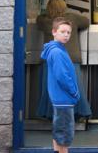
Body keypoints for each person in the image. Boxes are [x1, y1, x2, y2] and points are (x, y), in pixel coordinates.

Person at [36, 0, 91, 119]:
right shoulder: (72, 18)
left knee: (51, 88)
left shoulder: (44, 20)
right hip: (71, 59)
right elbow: (86, 22)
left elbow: (37, 20)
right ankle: (77, 113)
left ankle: (50, 115)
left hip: (51, 60)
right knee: (73, 86)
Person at [41, 17, 81, 153]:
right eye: (63, 31)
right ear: (54, 32)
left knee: (59, 133)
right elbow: (62, 76)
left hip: (61, 99)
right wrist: (74, 92)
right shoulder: (57, 52)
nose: (66, 35)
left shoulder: (58, 49)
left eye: (69, 32)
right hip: (64, 99)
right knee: (64, 136)